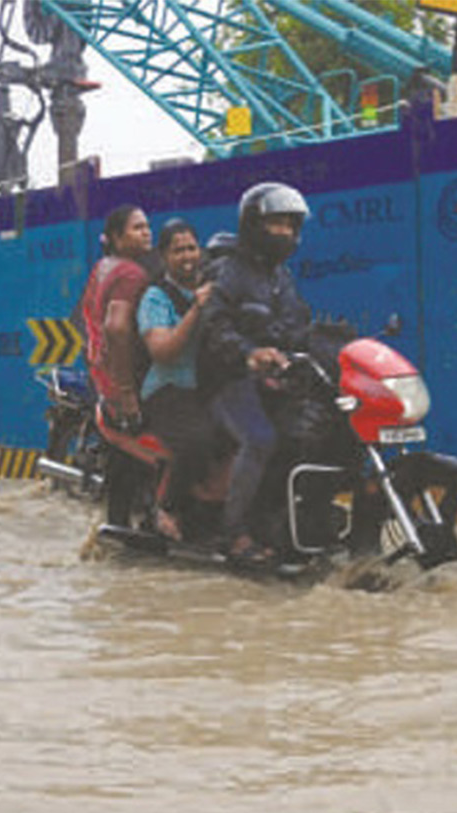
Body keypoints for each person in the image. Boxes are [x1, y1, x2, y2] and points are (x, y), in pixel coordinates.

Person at [198, 182, 314, 565]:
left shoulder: (280, 277)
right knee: (261, 439)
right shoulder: (227, 269)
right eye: (276, 224)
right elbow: (214, 324)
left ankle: (282, 523)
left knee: (308, 432)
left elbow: (296, 323)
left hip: (270, 381)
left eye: (290, 225)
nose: (284, 233)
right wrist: (248, 354)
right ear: (253, 224)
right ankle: (232, 533)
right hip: (225, 379)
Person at [136, 218, 219, 542]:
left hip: (207, 388)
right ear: (164, 257)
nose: (187, 256)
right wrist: (196, 309)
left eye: (191, 248)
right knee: (200, 439)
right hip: (168, 391)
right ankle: (168, 507)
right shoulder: (155, 298)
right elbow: (163, 351)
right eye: (178, 250)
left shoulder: (216, 288)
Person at [79, 204, 154, 526]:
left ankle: (117, 527)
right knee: (140, 454)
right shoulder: (131, 274)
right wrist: (126, 390)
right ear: (116, 237)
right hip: (125, 379)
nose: (146, 232)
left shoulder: (103, 268)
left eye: (147, 226)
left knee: (125, 457)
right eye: (137, 228)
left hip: (103, 375)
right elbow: (118, 328)